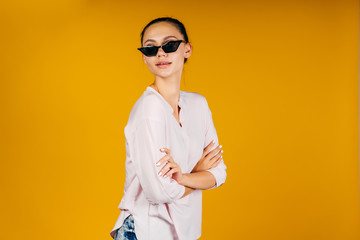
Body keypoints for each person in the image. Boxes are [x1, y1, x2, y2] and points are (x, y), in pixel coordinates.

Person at [110, 17, 227, 240]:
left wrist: (180, 177)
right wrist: (195, 175)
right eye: (151, 48)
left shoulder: (198, 104)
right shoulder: (149, 108)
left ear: (187, 49)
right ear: (144, 57)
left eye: (170, 44)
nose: (161, 53)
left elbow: (219, 173)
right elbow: (158, 192)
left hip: (184, 233)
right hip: (144, 231)